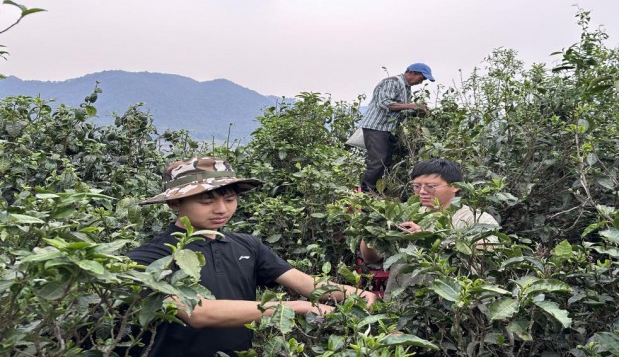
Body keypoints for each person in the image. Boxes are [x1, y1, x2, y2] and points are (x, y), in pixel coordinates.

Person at [127, 156, 377, 357]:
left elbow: (306, 285)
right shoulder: (151, 256)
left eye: (230, 199)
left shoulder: (246, 246)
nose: (222, 209)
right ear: (175, 203)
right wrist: (294, 307)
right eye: (207, 201)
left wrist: (354, 294)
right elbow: (197, 313)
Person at [359, 158, 499, 295]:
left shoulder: (476, 218)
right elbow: (372, 258)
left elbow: (486, 253)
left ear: (455, 186)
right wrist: (371, 235)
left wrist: (427, 238)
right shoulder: (406, 214)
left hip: (454, 303)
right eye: (416, 186)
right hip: (403, 303)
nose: (422, 192)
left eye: (431, 186)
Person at [359, 63, 435, 193]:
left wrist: (417, 112)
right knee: (378, 161)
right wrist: (412, 106)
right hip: (376, 128)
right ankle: (365, 192)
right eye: (421, 79)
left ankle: (378, 190)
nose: (421, 82)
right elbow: (385, 103)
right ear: (412, 73)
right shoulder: (392, 82)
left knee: (387, 161)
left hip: (386, 129)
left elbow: (400, 110)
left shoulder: (406, 87)